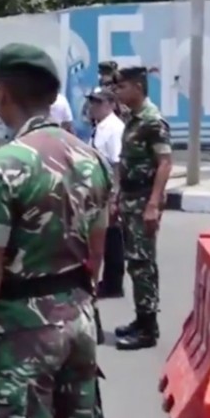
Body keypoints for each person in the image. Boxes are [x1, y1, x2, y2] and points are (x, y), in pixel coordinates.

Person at [0, 43, 112, 418]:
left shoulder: (1, 167)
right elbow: (97, 253)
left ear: (0, 93)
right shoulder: (92, 160)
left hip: (23, 335)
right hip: (79, 324)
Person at [111, 66, 173, 350]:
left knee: (143, 263)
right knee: (135, 262)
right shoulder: (133, 119)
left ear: (137, 87)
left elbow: (164, 163)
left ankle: (148, 328)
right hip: (130, 199)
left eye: (122, 86)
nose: (117, 92)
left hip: (143, 200)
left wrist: (153, 204)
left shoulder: (152, 121)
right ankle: (141, 318)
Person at [86, 86, 126, 298]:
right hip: (98, 190)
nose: (93, 106)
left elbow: (118, 163)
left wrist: (114, 196)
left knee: (111, 237)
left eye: (98, 102)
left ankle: (113, 283)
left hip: (108, 189)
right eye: (92, 101)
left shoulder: (114, 128)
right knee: (104, 236)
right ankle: (108, 281)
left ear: (111, 104)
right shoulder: (100, 126)